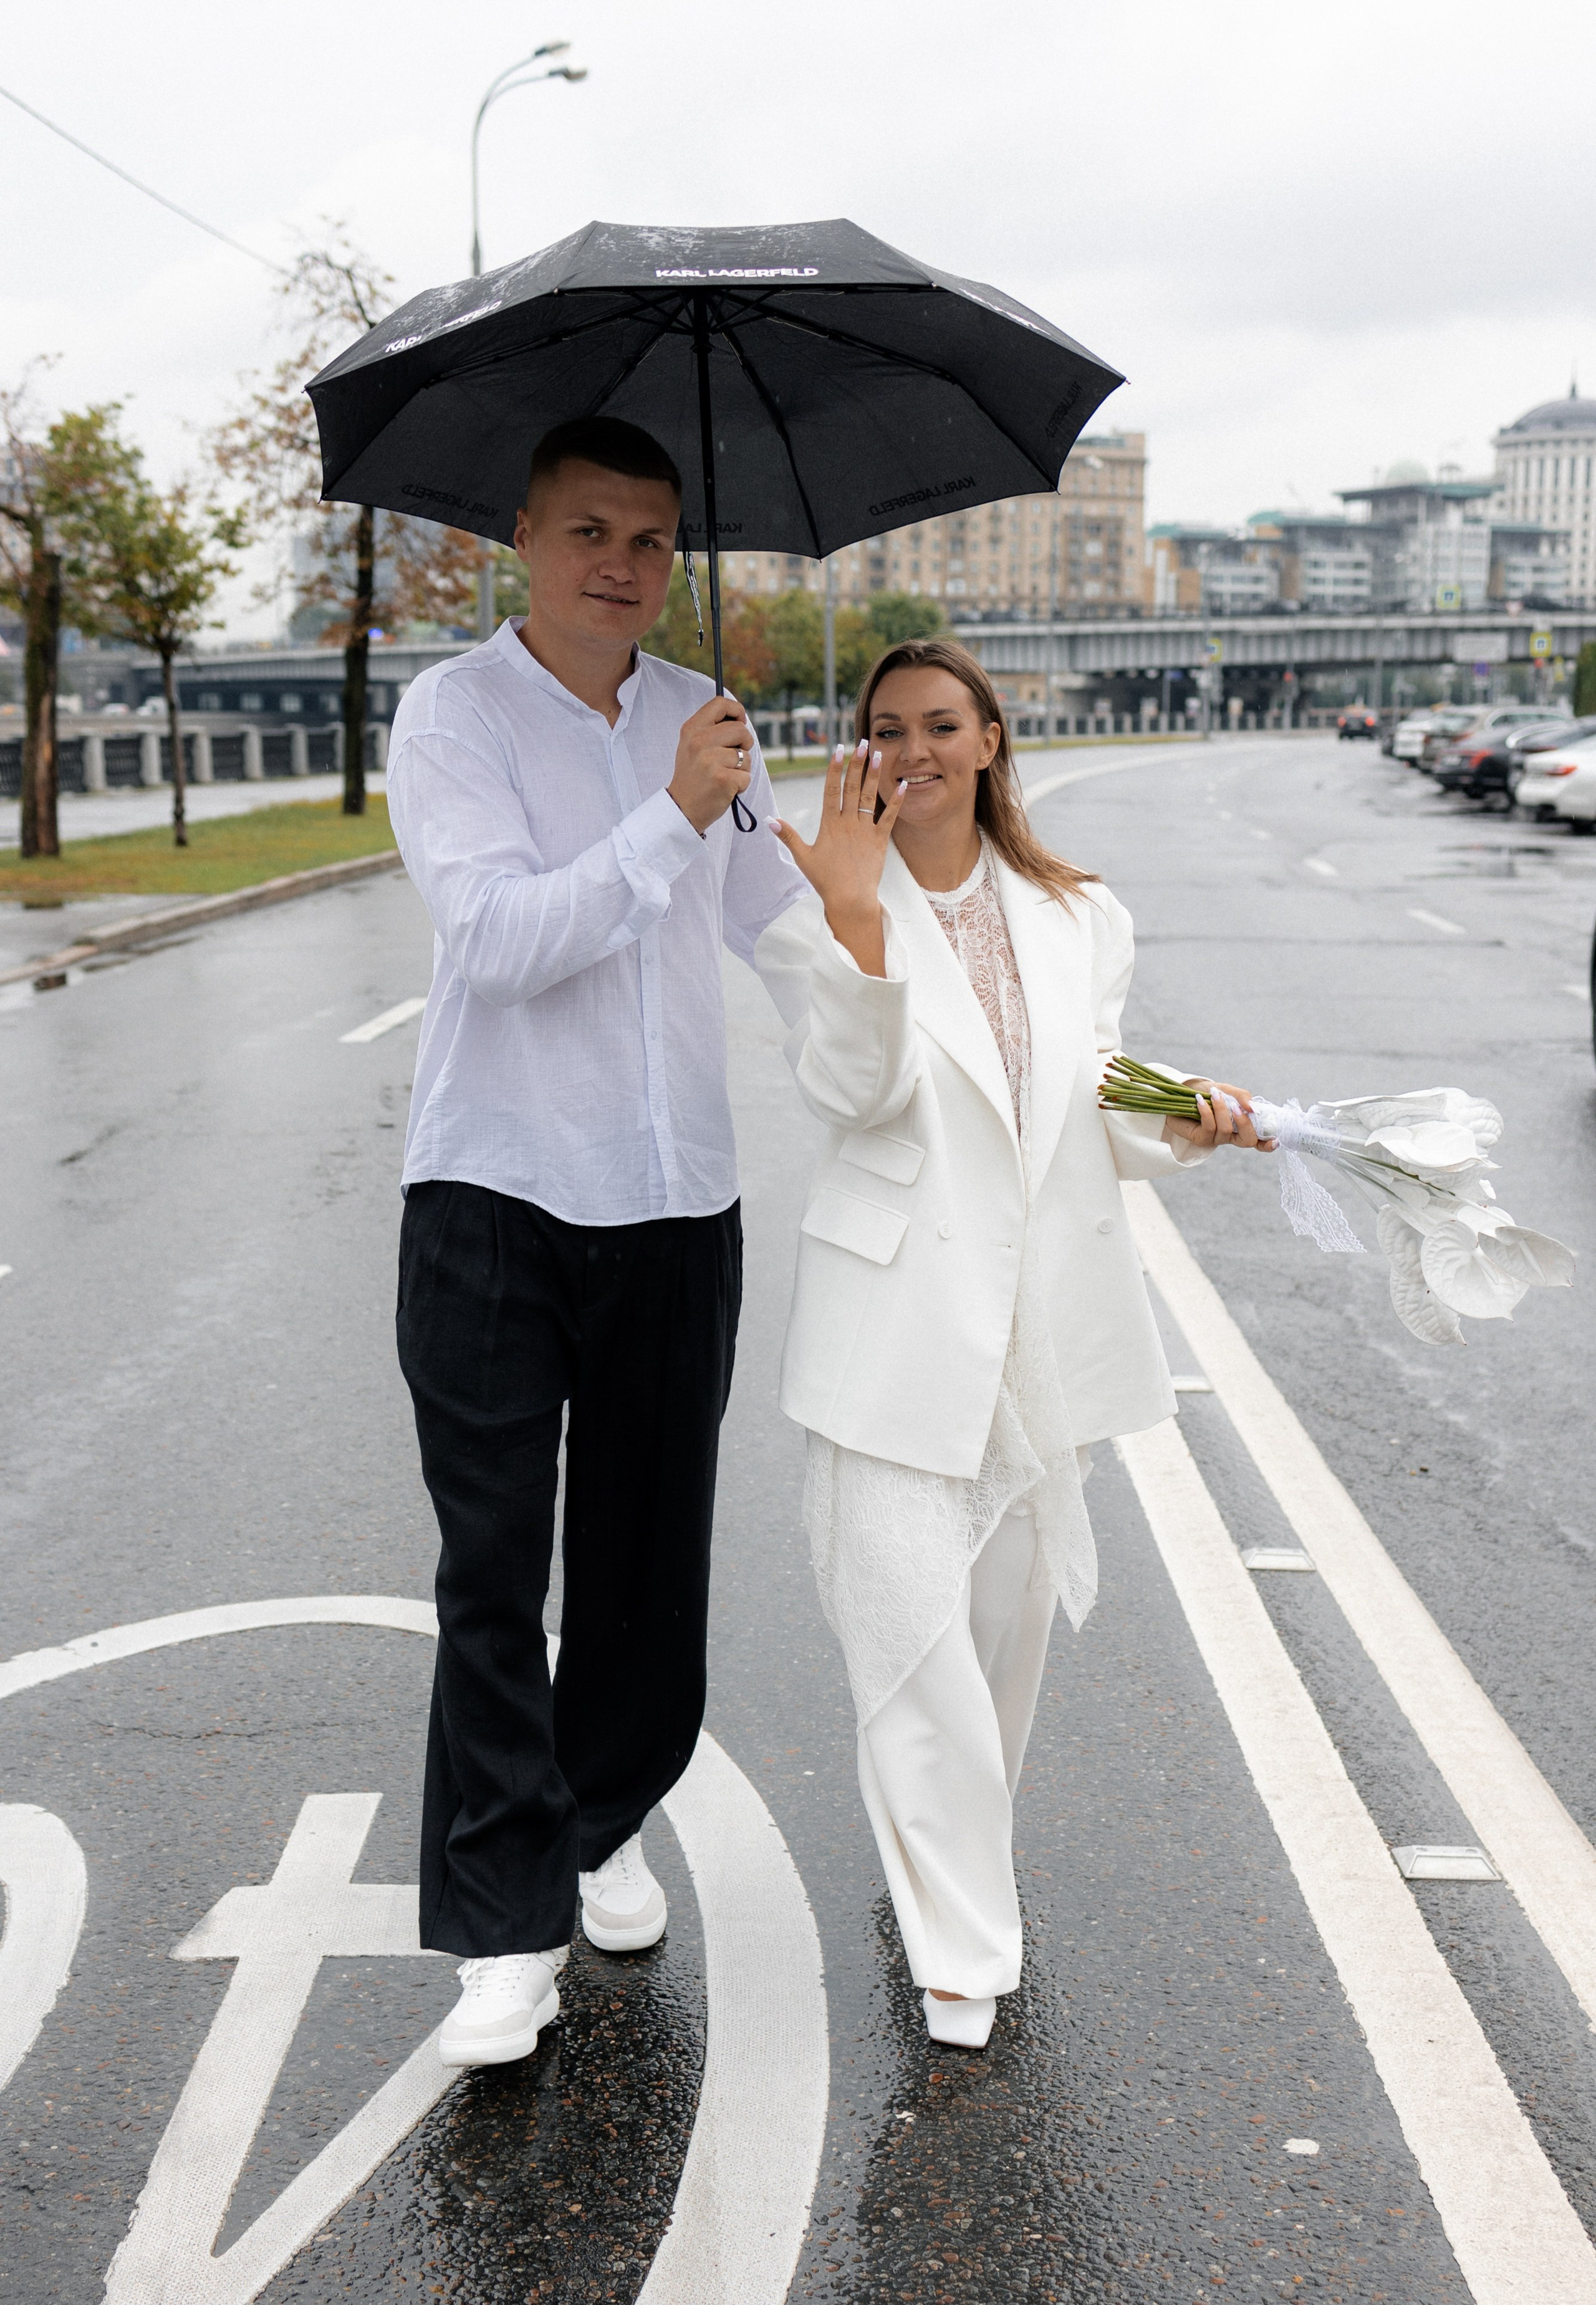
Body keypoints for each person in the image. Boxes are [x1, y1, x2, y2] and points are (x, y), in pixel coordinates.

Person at [767, 640, 1272, 2049]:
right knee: (910, 1635)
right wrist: (859, 927)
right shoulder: (810, 914)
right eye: (886, 730)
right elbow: (853, 1097)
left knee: (999, 1647)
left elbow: (1090, 1097)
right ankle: (962, 1944)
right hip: (893, 1321)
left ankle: (945, 1861)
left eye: (941, 724)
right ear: (858, 755)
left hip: (1033, 1324)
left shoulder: (1079, 914)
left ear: (990, 741)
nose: (912, 749)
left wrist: (1186, 1114)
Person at [387, 416, 805, 2067]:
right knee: (494, 1572)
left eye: (649, 539)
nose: (621, 566)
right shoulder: (455, 716)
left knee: (647, 1568)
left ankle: (601, 1814)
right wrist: (668, 821)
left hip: (677, 1201)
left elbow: (795, 937)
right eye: (588, 532)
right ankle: (502, 1928)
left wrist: (969, 935)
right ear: (524, 536)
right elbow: (495, 941)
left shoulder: (705, 723)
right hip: (493, 1193)